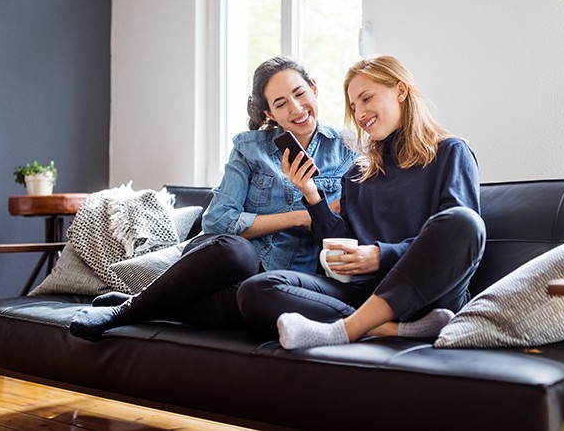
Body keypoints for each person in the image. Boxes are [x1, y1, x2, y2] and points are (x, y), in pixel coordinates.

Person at [69, 56, 357, 339]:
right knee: (239, 252)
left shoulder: (348, 151)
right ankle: (127, 311)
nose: (296, 108)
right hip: (220, 261)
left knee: (253, 299)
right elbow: (218, 221)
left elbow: (336, 233)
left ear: (314, 88)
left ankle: (152, 302)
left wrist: (312, 202)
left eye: (300, 93)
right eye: (281, 103)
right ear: (269, 113)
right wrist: (303, 216)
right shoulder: (248, 148)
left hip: (278, 278)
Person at [236, 55, 486, 349]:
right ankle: (387, 329)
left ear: (401, 91)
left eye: (367, 98)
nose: (360, 113)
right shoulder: (358, 171)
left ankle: (348, 328)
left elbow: (457, 240)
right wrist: (311, 194)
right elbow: (345, 242)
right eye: (354, 107)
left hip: (428, 294)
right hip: (366, 291)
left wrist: (380, 256)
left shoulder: (450, 152)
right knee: (257, 289)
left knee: (464, 222)